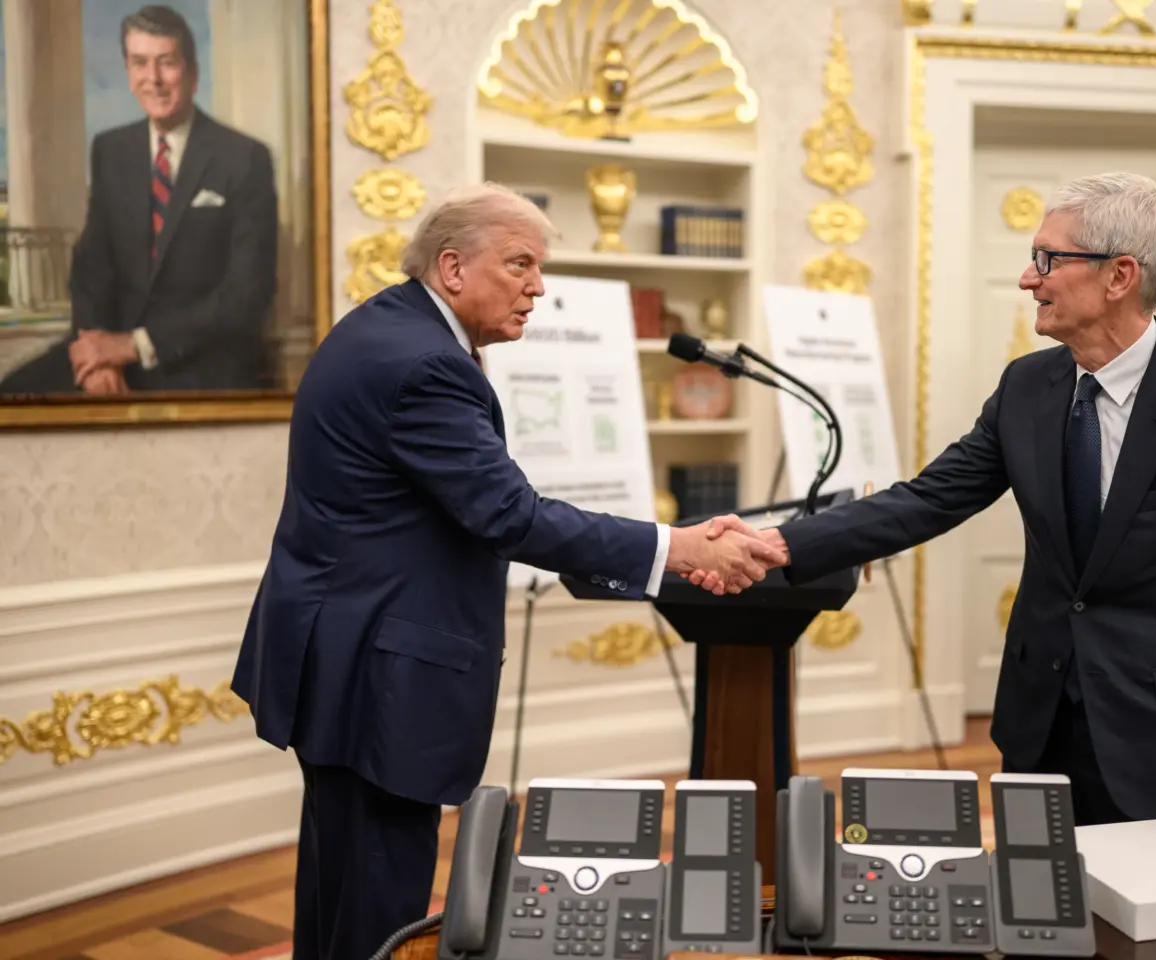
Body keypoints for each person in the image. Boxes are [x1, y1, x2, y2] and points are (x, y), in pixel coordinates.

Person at [229, 183, 781, 960]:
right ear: (452, 268)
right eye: (519, 263)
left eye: (540, 267)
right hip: (376, 675)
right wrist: (683, 549)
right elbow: (508, 516)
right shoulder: (426, 365)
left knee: (341, 887)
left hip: (340, 651)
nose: (539, 287)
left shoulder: (387, 328)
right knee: (374, 905)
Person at [699, 172, 1156, 826]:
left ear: (1120, 276)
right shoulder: (1028, 387)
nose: (1030, 279)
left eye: (1048, 260)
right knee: (1041, 914)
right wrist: (780, 544)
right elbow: (928, 499)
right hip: (1039, 724)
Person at [0, 4, 279, 395]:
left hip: (199, 360)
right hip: (112, 354)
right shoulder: (112, 150)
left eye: (166, 62)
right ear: (128, 72)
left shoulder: (244, 158)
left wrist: (133, 346)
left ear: (192, 72)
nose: (154, 79)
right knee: (11, 396)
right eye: (139, 63)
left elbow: (247, 294)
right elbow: (90, 269)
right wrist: (95, 355)